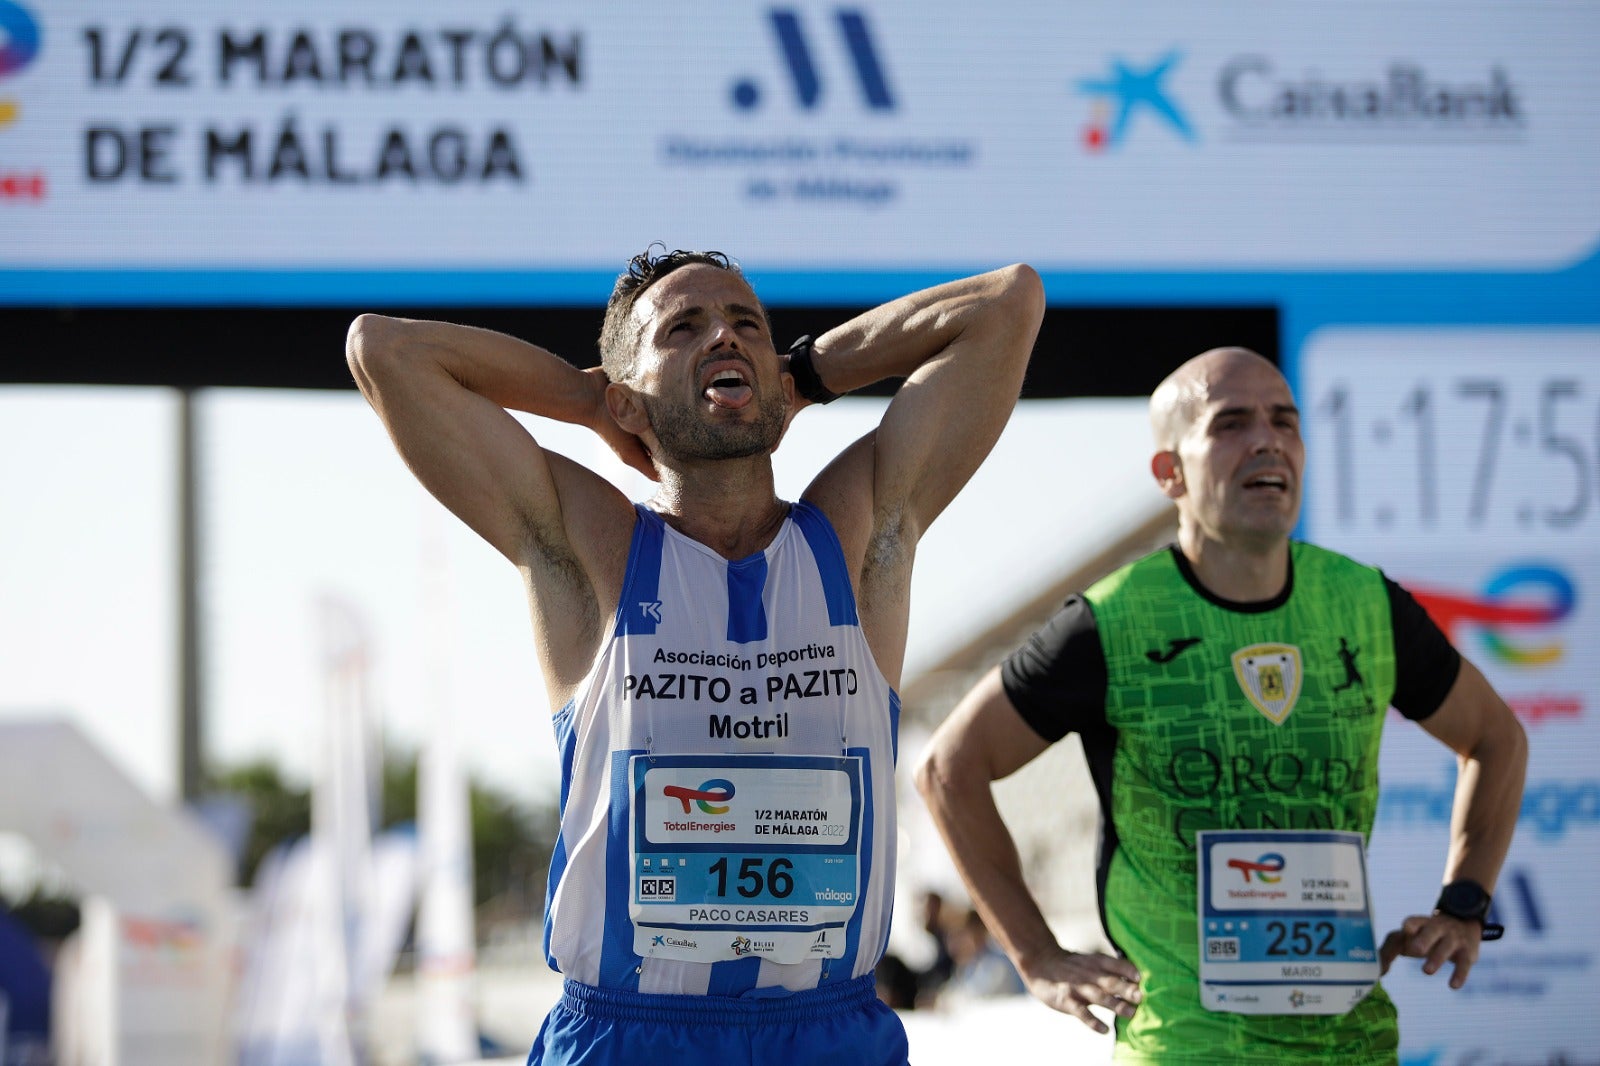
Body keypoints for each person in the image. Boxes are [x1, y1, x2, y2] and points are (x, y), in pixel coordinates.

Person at [346, 247, 1044, 1065]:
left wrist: (806, 374)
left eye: (748, 323)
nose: (725, 335)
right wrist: (586, 400)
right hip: (629, 1034)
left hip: (826, 1033)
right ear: (628, 400)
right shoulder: (590, 546)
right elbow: (386, 352)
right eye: (684, 327)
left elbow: (1005, 305)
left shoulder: (858, 531)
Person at [913, 348, 1528, 1063]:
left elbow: (1496, 738)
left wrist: (1464, 906)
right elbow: (946, 770)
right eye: (1231, 423)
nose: (1267, 439)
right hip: (1187, 1044)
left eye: (1284, 421)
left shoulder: (1365, 605)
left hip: (1350, 1043)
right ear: (1170, 473)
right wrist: (1036, 955)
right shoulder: (1114, 621)